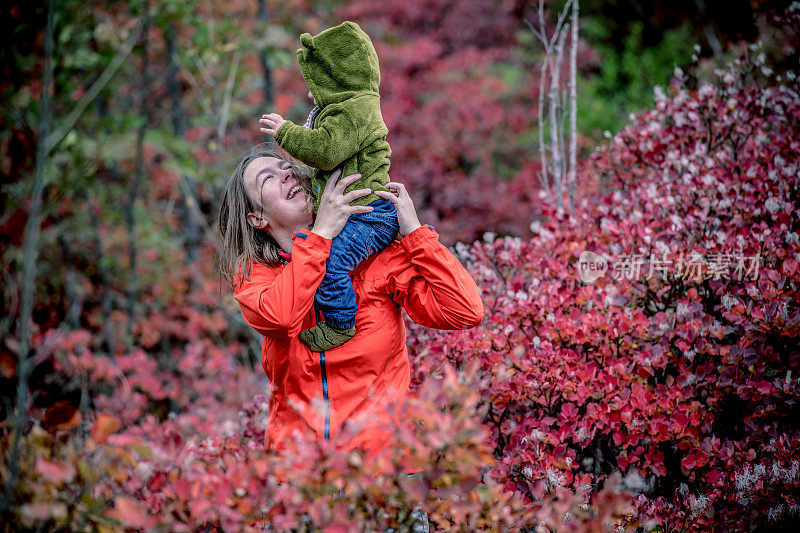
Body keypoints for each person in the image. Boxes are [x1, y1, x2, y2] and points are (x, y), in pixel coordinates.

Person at [217, 144, 484, 466]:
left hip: (385, 468)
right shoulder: (257, 275)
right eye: (267, 178)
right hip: (302, 473)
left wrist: (415, 233)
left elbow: (464, 311)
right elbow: (281, 316)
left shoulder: (373, 260)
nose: (286, 173)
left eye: (286, 167)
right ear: (256, 217)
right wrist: (322, 236)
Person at [258, 21, 397, 353]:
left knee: (331, 263)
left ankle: (340, 323)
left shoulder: (354, 111)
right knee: (329, 258)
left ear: (339, 79)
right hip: (361, 211)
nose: (310, 94)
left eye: (318, 84)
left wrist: (285, 132)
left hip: (370, 214)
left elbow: (324, 151)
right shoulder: (350, 106)